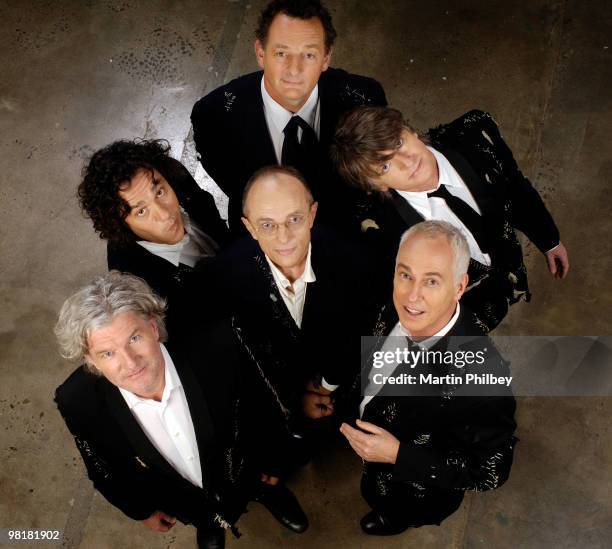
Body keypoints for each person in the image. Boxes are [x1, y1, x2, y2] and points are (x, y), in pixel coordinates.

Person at [54, 272, 307, 549]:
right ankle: (210, 523)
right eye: (108, 354)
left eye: (134, 338)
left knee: (261, 481)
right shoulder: (76, 401)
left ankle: (268, 493)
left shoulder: (220, 344)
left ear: (152, 327)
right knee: (204, 515)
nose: (130, 363)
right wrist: (141, 511)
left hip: (248, 469)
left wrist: (275, 461)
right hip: (183, 500)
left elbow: (264, 406)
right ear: (90, 359)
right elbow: (103, 469)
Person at [338, 220, 518, 535]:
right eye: (405, 275)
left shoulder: (483, 377)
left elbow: (491, 472)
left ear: (459, 287)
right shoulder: (389, 301)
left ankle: (394, 518)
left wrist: (397, 455)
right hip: (369, 440)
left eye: (432, 282)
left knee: (397, 508)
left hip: (414, 488)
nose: (412, 296)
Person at [201, 165, 381, 464]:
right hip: (283, 389)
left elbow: (363, 329)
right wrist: (294, 398)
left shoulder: (357, 260)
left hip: (344, 378)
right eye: (268, 225)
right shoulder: (224, 276)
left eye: (294, 219)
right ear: (249, 227)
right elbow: (245, 356)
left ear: (312, 214)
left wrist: (327, 385)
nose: (283, 237)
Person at [331, 107, 569, 331]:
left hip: (508, 259)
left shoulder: (475, 132)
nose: (407, 161)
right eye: (384, 166)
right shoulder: (383, 231)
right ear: (378, 186)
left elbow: (515, 187)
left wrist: (549, 240)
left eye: (399, 142)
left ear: (410, 130)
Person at [190, 0, 387, 235]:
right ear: (260, 53)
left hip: (343, 224)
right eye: (282, 53)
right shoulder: (213, 115)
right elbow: (234, 184)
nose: (294, 69)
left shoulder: (365, 98)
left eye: (309, 55)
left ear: (326, 58)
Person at [78, 139, 230, 330]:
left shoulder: (178, 180)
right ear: (121, 224)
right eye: (141, 211)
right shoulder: (139, 290)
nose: (165, 214)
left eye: (159, 192)